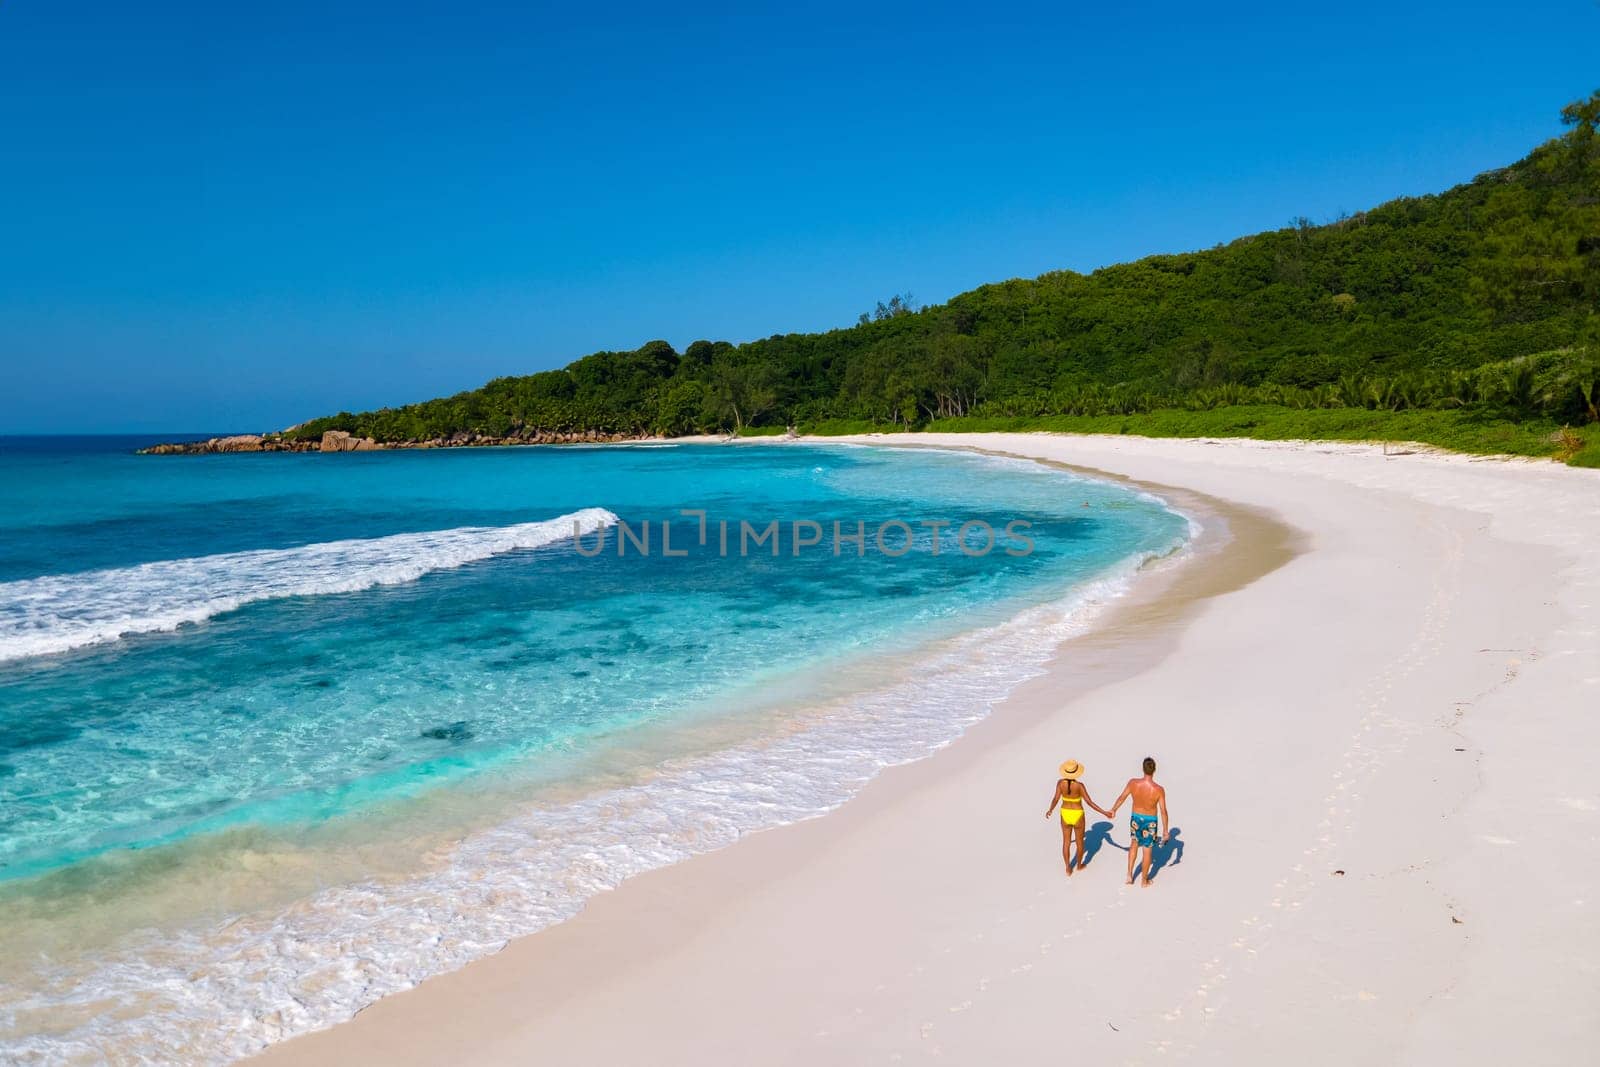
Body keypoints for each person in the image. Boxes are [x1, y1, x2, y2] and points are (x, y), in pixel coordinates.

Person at [1043, 759, 1111, 877]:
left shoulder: (1060, 783)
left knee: (1066, 842)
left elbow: (1055, 799)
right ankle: (1079, 865)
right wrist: (1104, 812)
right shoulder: (1079, 786)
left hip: (1065, 813)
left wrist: (1050, 809)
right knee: (1080, 843)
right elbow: (1089, 802)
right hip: (1078, 814)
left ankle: (1068, 868)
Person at [1109, 756, 1169, 887]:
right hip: (1150, 821)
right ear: (1154, 770)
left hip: (1136, 817)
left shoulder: (1133, 783)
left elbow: (1122, 797)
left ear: (1143, 768)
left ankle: (1129, 875)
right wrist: (1165, 830)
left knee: (1134, 844)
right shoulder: (1158, 789)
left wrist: (1114, 809)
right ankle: (1144, 881)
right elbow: (1163, 811)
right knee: (1147, 850)